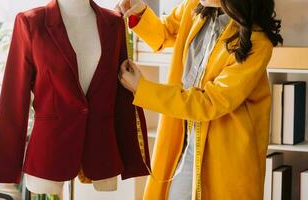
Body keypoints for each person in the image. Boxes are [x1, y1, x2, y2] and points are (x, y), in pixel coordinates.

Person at [116, 0, 283, 199]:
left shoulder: (257, 43)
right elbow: (164, 32)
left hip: (223, 155)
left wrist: (143, 89)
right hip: (185, 140)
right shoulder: (193, 8)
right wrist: (139, 13)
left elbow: (210, 102)